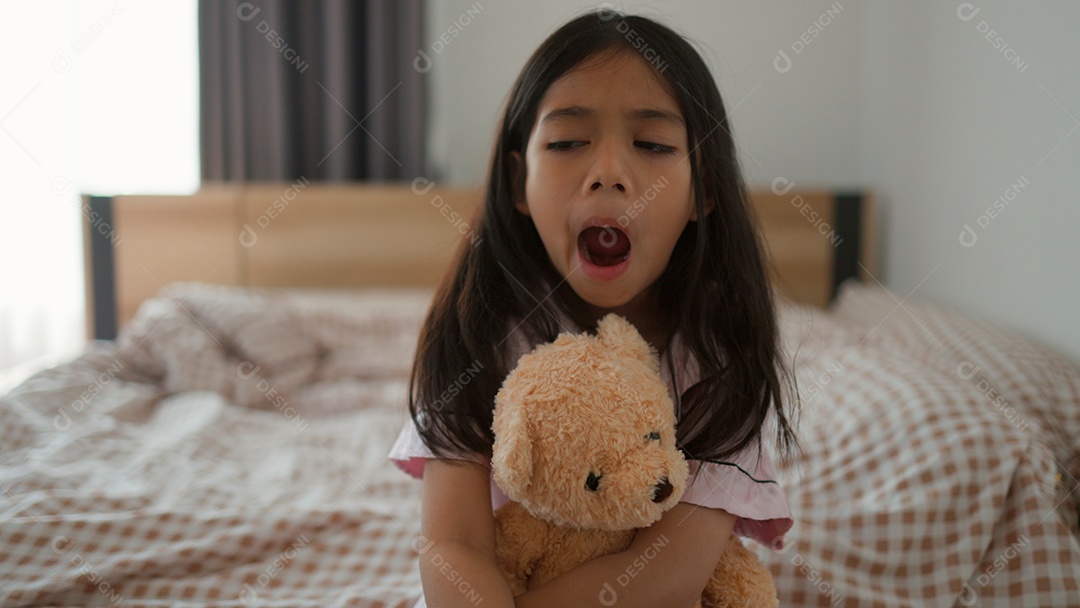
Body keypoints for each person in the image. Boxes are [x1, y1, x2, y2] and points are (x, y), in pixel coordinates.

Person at [390, 9, 799, 608]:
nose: (607, 173)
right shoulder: (480, 334)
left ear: (703, 192)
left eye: (653, 144)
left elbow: (666, 574)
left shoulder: (718, 355)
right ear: (516, 183)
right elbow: (455, 546)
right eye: (567, 143)